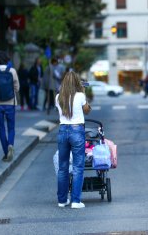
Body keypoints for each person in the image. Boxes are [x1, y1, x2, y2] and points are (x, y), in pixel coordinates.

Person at [55, 71, 91, 209]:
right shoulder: (80, 95)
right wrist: (83, 92)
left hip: (63, 130)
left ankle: (62, 200)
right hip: (77, 131)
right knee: (77, 167)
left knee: (63, 168)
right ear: (77, 82)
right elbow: (87, 111)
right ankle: (76, 200)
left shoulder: (58, 97)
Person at [0, 52, 20, 162]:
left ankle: (6, 152)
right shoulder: (12, 71)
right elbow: (17, 88)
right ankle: (10, 144)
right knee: (11, 128)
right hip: (10, 103)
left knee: (1, 128)